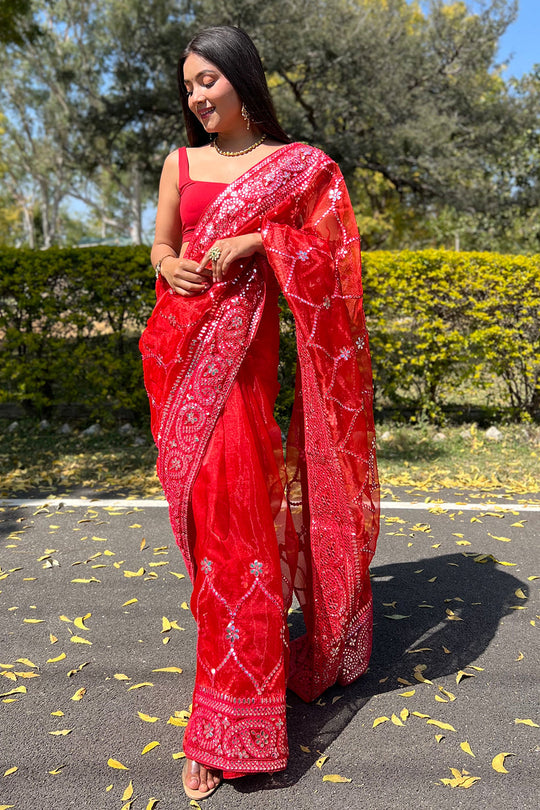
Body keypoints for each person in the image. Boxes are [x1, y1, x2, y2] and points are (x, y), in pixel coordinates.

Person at [140, 25, 379, 801]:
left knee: (242, 534)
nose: (197, 97)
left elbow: (333, 260)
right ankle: (233, 679)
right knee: (214, 536)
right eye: (188, 87)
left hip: (244, 381)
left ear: (242, 79)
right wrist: (170, 264)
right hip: (182, 370)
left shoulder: (296, 167)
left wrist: (261, 242)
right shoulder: (180, 164)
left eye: (208, 80)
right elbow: (162, 248)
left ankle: (224, 724)